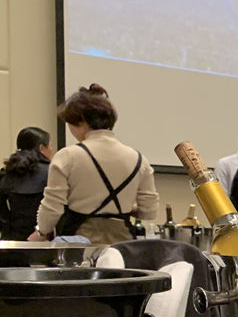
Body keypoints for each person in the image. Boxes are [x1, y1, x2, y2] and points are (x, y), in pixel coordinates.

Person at [32, 84, 158, 244]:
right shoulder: (139, 160)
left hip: (78, 244)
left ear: (82, 121)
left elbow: (52, 208)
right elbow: (149, 211)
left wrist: (40, 232)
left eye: (70, 122)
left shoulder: (67, 156)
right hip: (122, 246)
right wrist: (119, 208)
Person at [0, 127, 53, 240]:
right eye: (50, 146)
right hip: (44, 238)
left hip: (12, 238)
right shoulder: (51, 171)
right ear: (41, 148)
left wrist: (7, 233)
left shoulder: (7, 171)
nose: (51, 149)